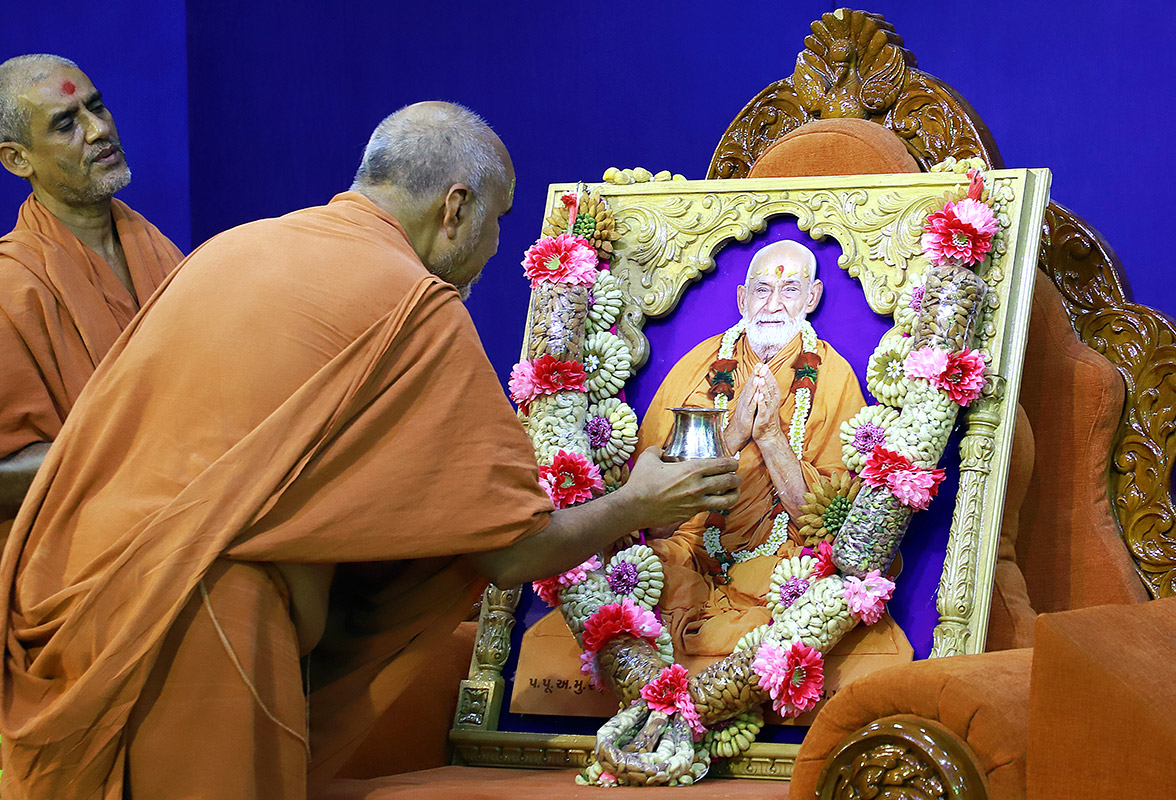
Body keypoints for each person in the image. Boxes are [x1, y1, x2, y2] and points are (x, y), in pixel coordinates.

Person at [0, 101, 739, 799]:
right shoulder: (415, 307)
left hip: (71, 593)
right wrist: (639, 502)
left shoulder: (228, 248)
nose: (495, 247)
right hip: (196, 625)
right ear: (455, 210)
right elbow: (513, 553)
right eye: (499, 220)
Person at [637, 240, 868, 661]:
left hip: (782, 563)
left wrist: (771, 436)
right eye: (762, 290)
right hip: (690, 550)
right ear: (742, 298)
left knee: (811, 594)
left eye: (790, 290)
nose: (773, 304)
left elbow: (833, 527)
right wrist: (735, 433)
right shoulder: (697, 367)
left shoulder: (834, 377)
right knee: (640, 574)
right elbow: (651, 519)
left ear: (812, 297)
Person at [0, 54, 182, 531]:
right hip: (81, 535)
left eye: (96, 107)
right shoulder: (11, 285)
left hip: (182, 504)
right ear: (18, 159)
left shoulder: (154, 247)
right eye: (66, 123)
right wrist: (157, 454)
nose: (99, 129)